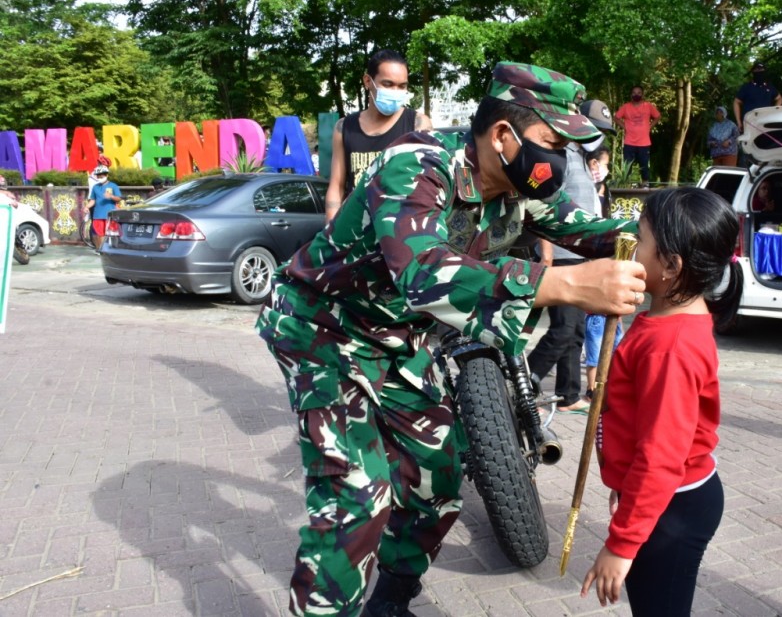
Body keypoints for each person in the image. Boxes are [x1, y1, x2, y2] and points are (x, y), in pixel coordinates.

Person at [256, 61, 646, 617]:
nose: (561, 161)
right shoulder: (416, 166)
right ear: (504, 136)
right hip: (322, 328)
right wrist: (563, 284)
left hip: (395, 337)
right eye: (553, 143)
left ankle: (389, 602)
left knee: (436, 478)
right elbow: (422, 272)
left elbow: (589, 230)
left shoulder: (521, 185)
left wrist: (667, 238)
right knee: (356, 500)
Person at [581, 187, 744, 614]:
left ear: (671, 266)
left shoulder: (670, 347)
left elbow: (660, 457)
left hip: (674, 506)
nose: (631, 244)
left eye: (641, 237)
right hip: (662, 499)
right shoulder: (665, 319)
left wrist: (622, 543)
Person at [527, 99, 614, 413]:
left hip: (579, 255)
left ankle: (568, 394)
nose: (598, 136)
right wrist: (546, 252)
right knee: (563, 328)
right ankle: (525, 384)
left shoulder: (580, 158)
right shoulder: (559, 156)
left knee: (575, 330)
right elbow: (538, 203)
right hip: (560, 255)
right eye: (596, 128)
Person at [324, 49, 432, 221]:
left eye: (402, 86)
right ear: (368, 81)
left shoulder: (417, 124)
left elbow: (428, 187)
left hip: (400, 231)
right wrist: (331, 234)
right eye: (388, 84)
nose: (396, 91)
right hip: (356, 231)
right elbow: (336, 186)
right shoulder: (344, 127)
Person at [581, 145, 623, 401]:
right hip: (597, 295)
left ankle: (609, 384)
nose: (603, 170)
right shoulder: (584, 194)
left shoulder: (599, 197)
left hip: (611, 294)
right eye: (602, 163)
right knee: (595, 344)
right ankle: (592, 387)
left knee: (614, 341)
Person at [614, 85, 660, 188]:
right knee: (627, 167)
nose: (636, 95)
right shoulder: (626, 107)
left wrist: (650, 126)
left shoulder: (648, 106)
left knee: (644, 166)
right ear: (631, 95)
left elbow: (657, 116)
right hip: (629, 142)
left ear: (642, 94)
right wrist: (624, 127)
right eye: (634, 93)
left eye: (639, 93)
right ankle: (626, 186)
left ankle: (645, 185)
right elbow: (616, 118)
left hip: (644, 143)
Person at [732, 61, 782, 135]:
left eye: (761, 70)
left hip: (766, 123)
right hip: (750, 123)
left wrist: (775, 109)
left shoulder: (769, 87)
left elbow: (779, 98)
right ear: (753, 71)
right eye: (757, 70)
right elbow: (736, 102)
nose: (759, 72)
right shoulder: (746, 87)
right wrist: (739, 122)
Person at [86, 166, 121, 253]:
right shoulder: (95, 187)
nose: (100, 178)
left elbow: (119, 198)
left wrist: (111, 196)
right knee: (98, 234)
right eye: (98, 176)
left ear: (107, 175)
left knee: (110, 234)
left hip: (109, 214)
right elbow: (93, 200)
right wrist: (87, 207)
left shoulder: (113, 186)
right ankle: (101, 250)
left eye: (102, 176)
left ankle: (110, 250)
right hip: (98, 214)